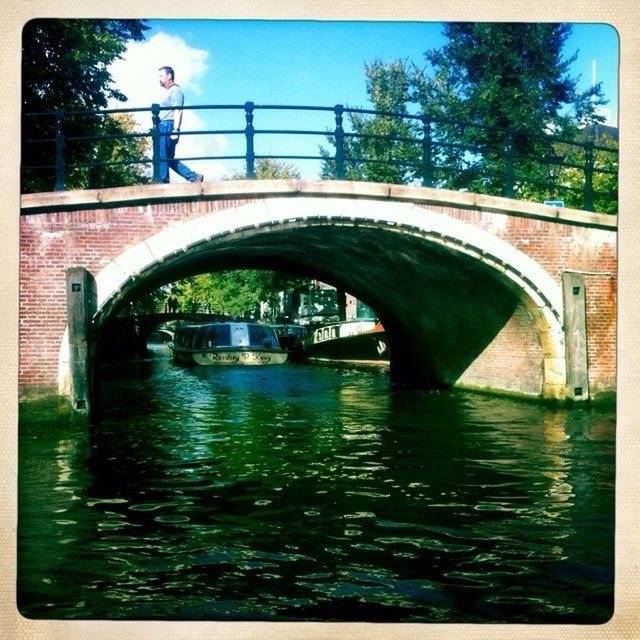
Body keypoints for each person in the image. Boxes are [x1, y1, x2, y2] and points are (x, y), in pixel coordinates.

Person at [157, 66, 203, 184]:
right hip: (164, 125)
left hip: (168, 125)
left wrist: (176, 129)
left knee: (162, 155)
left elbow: (178, 110)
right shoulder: (169, 91)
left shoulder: (175, 90)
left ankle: (163, 182)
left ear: (169, 76)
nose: (159, 79)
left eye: (161, 76)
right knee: (168, 158)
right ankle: (194, 177)